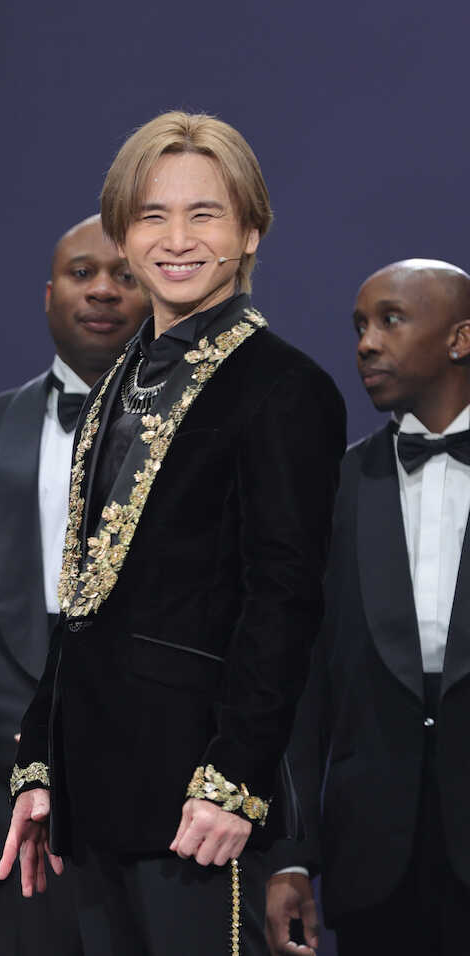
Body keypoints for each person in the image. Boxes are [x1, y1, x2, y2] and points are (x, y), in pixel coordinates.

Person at [0, 111, 346, 956]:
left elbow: (286, 599)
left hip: (200, 794)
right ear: (123, 232)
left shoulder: (286, 388)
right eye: (153, 215)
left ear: (251, 229)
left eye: (205, 214)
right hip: (95, 787)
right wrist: (42, 764)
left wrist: (234, 781)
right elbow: (80, 596)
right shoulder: (121, 376)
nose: (176, 239)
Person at [0, 213, 148, 954]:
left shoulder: (212, 429)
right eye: (83, 274)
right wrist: (32, 744)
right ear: (49, 296)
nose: (103, 290)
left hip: (155, 778)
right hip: (1, 781)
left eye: (125, 275)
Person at [265, 259, 470, 955]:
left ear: (460, 338)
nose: (366, 343)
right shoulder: (333, 485)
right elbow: (298, 687)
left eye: (390, 319)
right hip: (373, 866)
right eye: (358, 325)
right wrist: (290, 855)